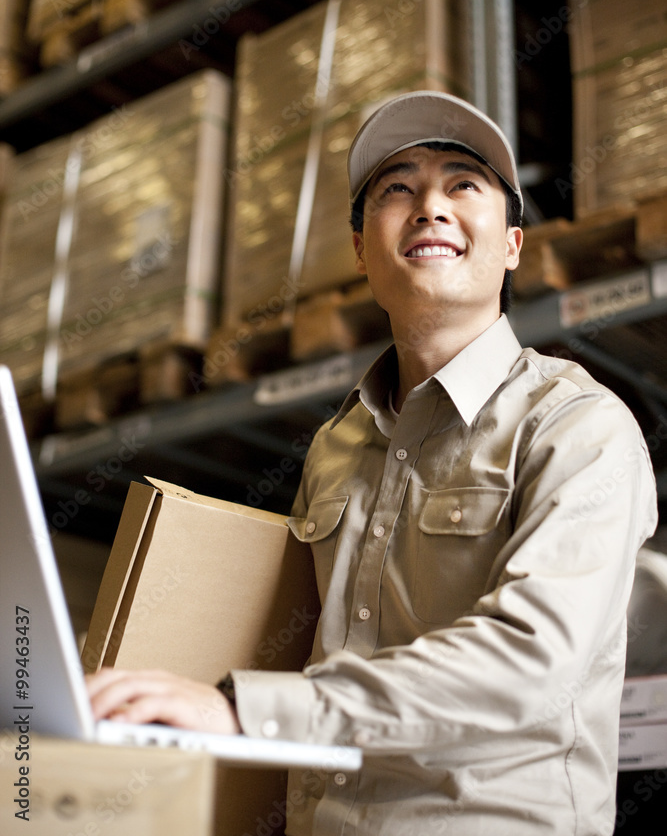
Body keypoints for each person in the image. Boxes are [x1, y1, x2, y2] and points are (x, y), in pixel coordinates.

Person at [87, 91, 658, 835]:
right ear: (360, 251)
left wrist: (239, 709)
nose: (429, 206)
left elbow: (534, 658)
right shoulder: (337, 446)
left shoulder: (577, 427)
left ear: (513, 244)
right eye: (397, 189)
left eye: (463, 183)